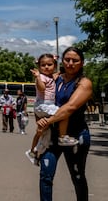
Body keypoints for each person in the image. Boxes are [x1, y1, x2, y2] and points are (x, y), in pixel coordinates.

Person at [36, 47, 93, 201]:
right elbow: (42, 99)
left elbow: (69, 108)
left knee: (77, 175)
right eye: (67, 59)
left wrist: (47, 120)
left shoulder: (84, 83)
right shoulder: (55, 78)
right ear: (62, 61)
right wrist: (39, 117)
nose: (70, 63)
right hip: (53, 135)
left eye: (75, 60)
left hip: (75, 136)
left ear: (81, 63)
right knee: (45, 175)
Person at [26, 53, 78, 165]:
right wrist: (37, 77)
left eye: (49, 64)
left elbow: (56, 74)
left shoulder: (51, 77)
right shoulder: (41, 77)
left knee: (44, 133)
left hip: (44, 106)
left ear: (54, 66)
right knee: (64, 114)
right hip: (45, 105)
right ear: (39, 67)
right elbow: (42, 88)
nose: (46, 67)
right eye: (43, 65)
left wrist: (59, 71)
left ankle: (34, 152)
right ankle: (63, 137)